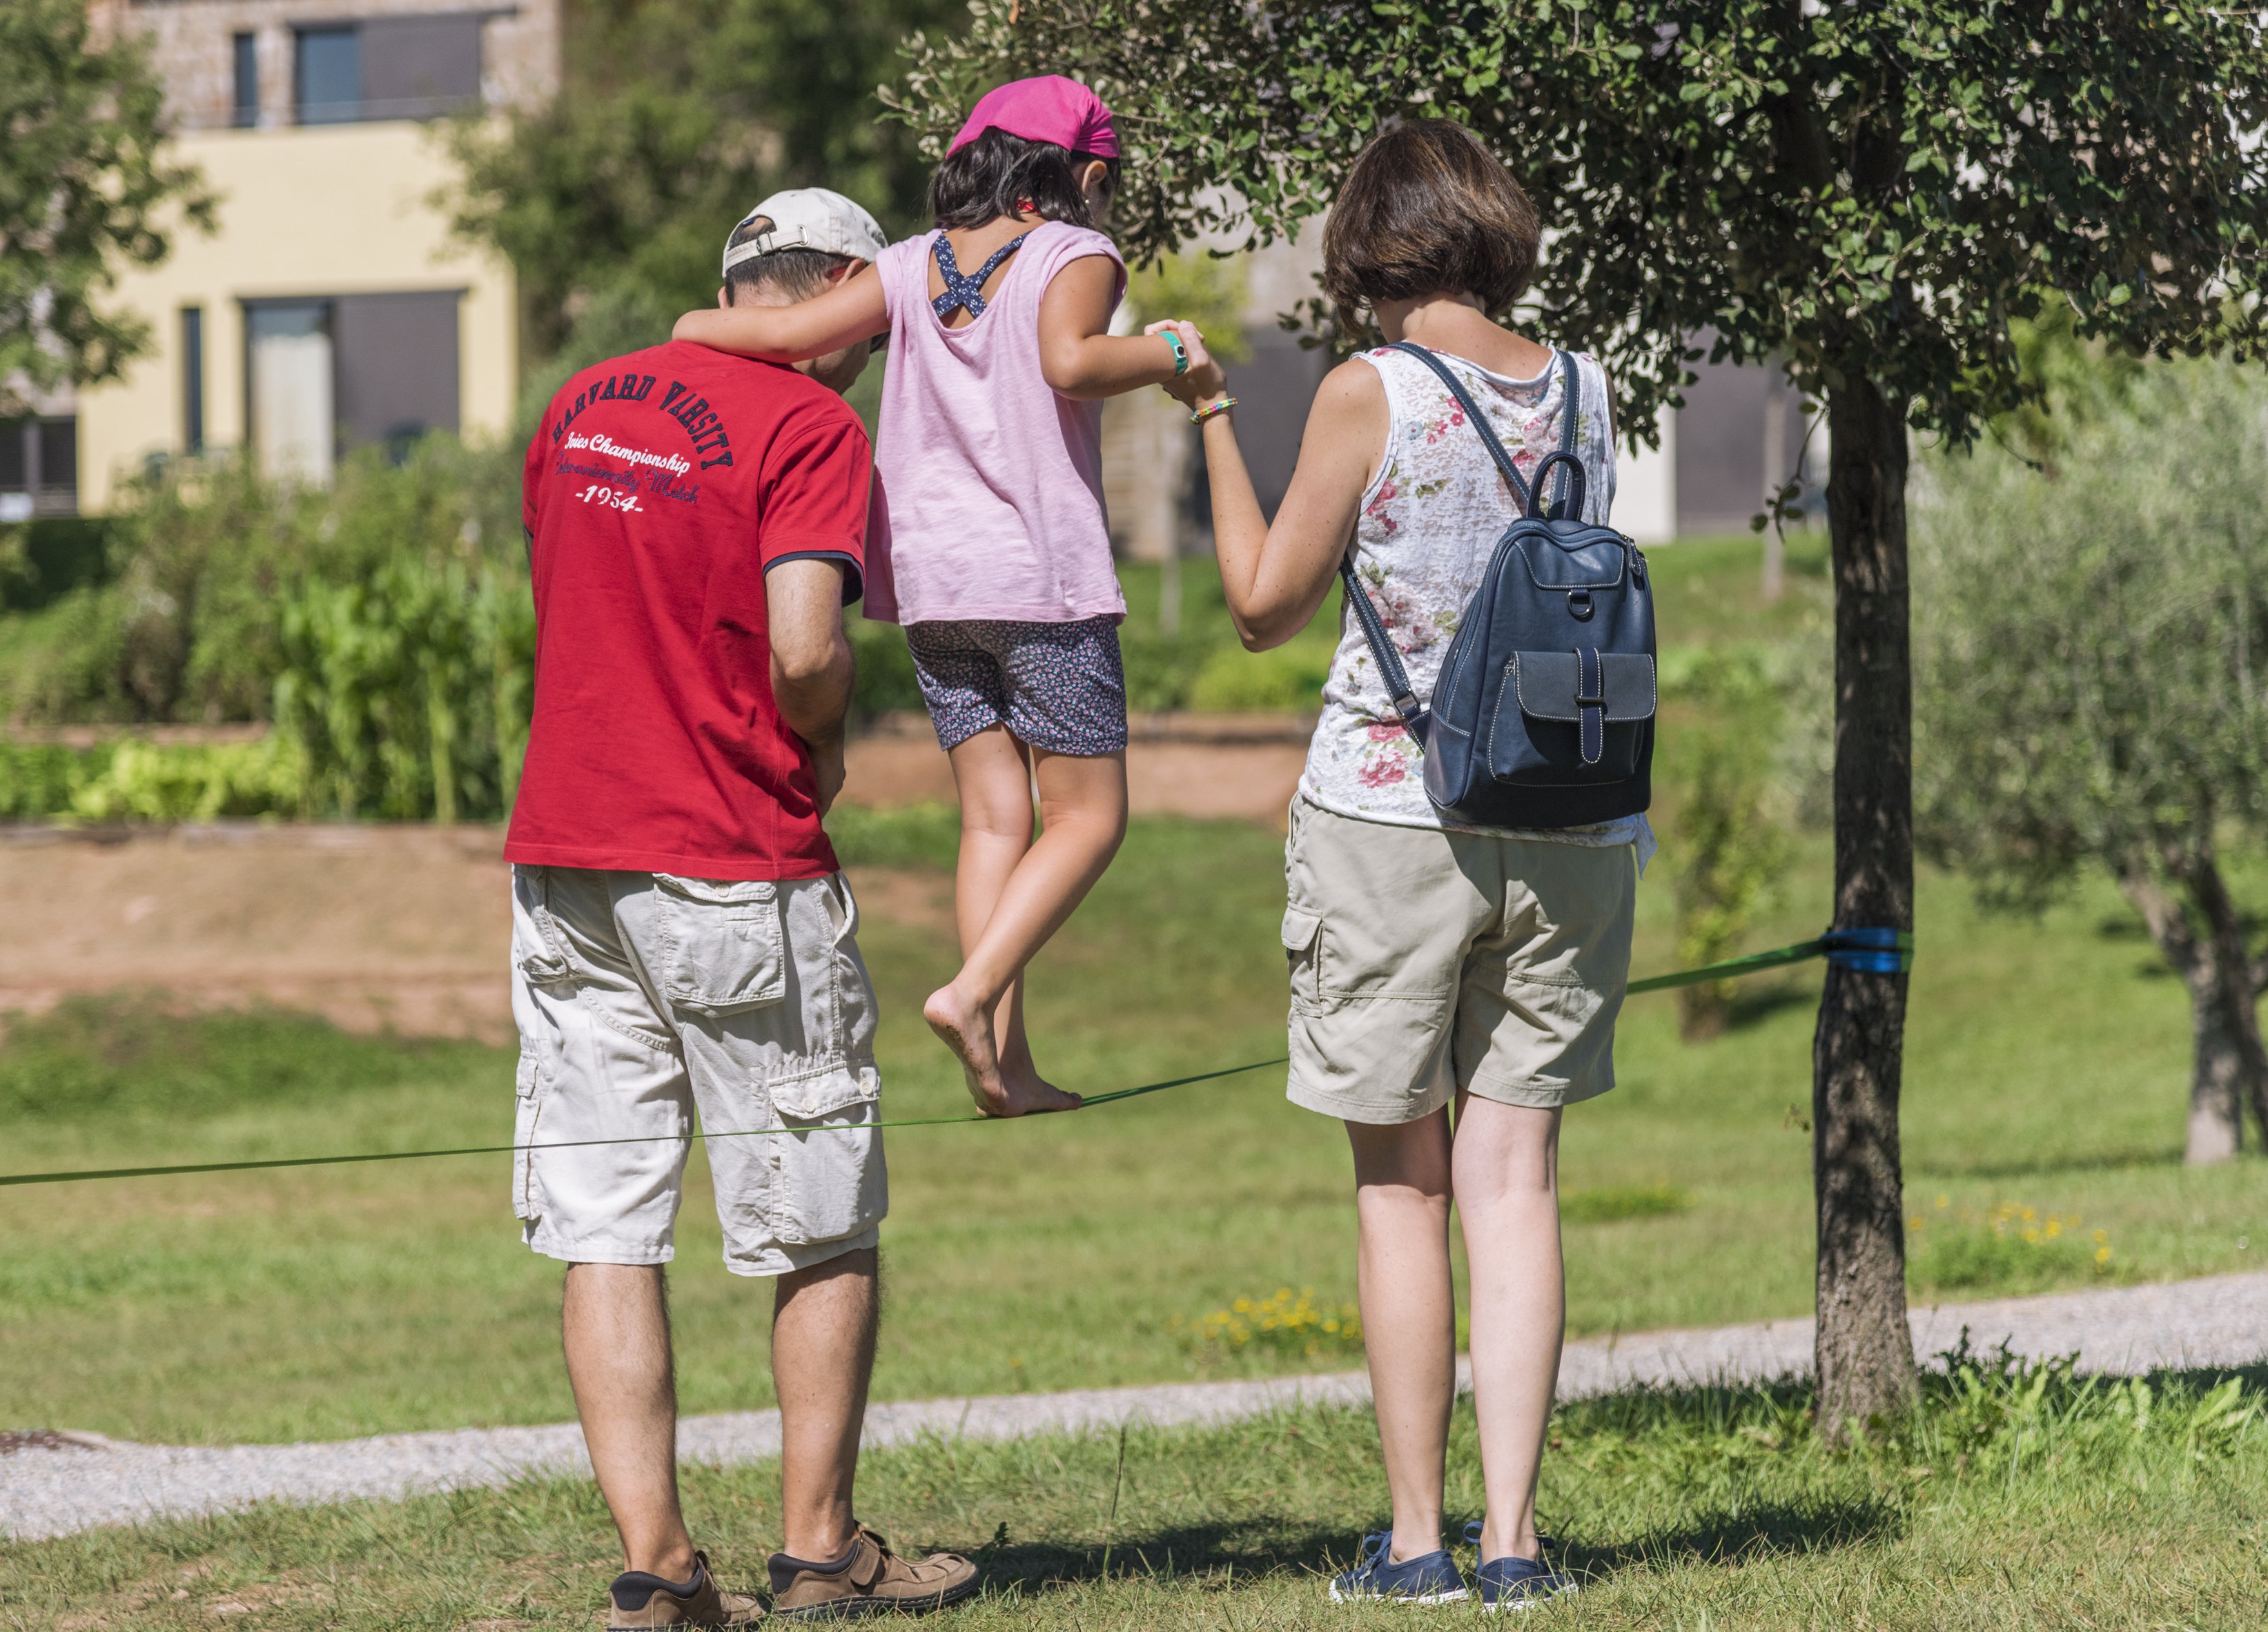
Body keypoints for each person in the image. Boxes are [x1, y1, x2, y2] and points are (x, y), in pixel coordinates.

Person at [1162, 120, 1650, 1611]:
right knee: (1517, 1181)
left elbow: (1256, 603)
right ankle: (1515, 1546)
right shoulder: (1582, 384)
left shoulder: (1367, 392)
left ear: (1368, 244)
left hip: (1391, 816)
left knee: (1400, 1190)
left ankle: (1415, 1543)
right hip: (1568, 820)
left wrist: (1202, 418)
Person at [504, 187, 980, 1631]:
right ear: (838, 288)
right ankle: (819, 1550)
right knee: (817, 1209)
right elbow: (801, 639)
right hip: (730, 853)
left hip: (566, 854)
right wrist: (826, 733)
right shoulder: (805, 426)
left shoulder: (583, 399)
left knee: (606, 1216)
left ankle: (654, 1571)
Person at [670, 78, 1213, 1119]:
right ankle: (968, 994)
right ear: (1088, 177)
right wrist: (1175, 354)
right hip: (1041, 583)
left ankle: (1008, 1069)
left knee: (994, 818)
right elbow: (1073, 362)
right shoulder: (1076, 253)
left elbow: (785, 338)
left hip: (931, 589)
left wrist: (694, 322)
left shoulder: (911, 264)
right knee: (1091, 819)